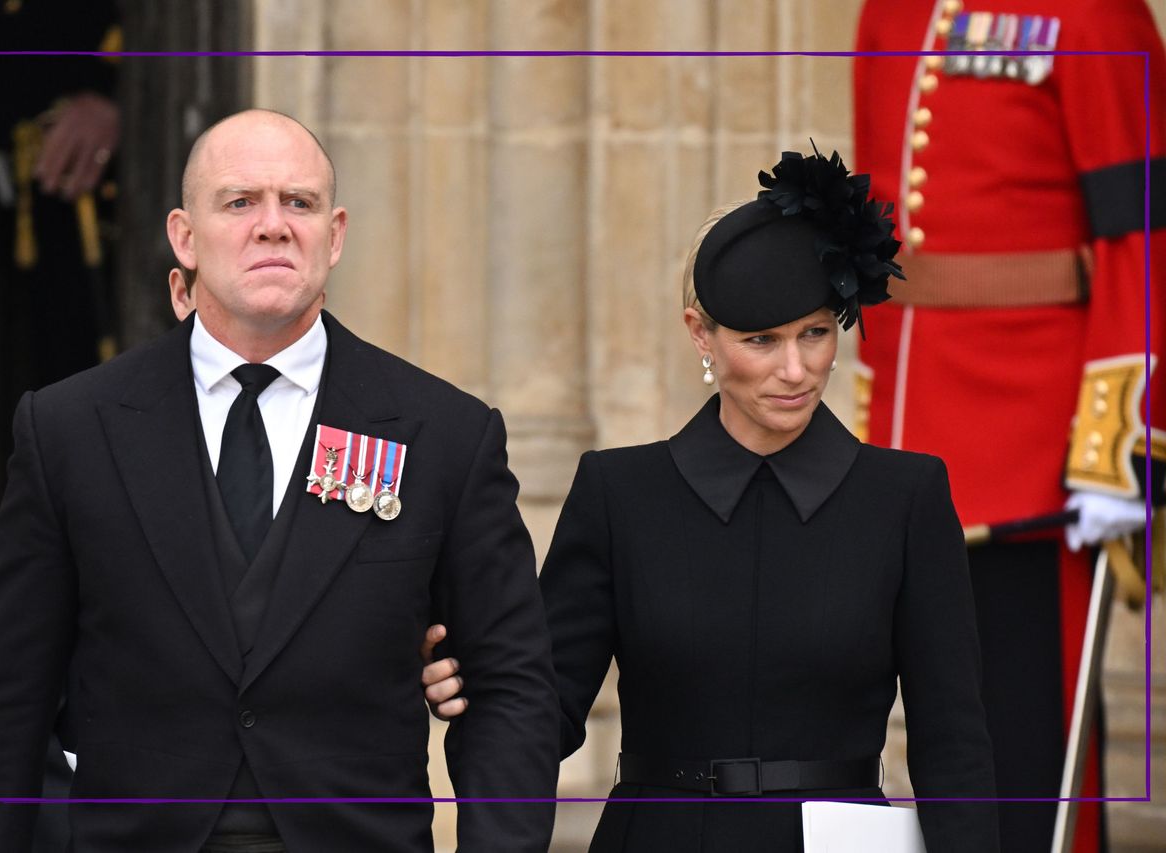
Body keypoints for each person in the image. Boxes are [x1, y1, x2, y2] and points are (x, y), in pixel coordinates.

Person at [0, 108, 559, 853]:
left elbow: (512, 687)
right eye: (240, 202)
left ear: (333, 236)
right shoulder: (70, 429)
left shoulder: (445, 434)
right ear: (183, 235)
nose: (272, 225)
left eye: (297, 203)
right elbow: (8, 700)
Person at [427, 147, 999, 851]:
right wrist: (473, 683)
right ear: (702, 333)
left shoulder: (906, 497)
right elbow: (538, 711)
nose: (796, 369)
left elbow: (954, 746)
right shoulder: (619, 495)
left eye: (815, 333)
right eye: (762, 340)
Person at [854, 2, 1165, 849]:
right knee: (936, 725)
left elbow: (1140, 222)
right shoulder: (893, 10)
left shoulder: (1092, 12)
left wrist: (1123, 420)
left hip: (1037, 425)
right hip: (912, 413)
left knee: (1030, 731)